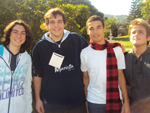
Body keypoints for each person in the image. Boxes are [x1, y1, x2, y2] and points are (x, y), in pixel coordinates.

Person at [32, 7, 89, 113]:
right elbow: (37, 75)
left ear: (65, 24)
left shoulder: (77, 40)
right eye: (52, 22)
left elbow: (93, 54)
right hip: (52, 104)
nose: (56, 25)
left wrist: (113, 47)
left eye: (59, 21)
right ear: (47, 25)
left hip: (77, 102)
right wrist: (38, 99)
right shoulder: (39, 47)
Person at [80, 15, 130, 113]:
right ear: (87, 31)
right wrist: (85, 100)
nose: (95, 32)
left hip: (115, 99)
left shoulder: (117, 50)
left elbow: (120, 76)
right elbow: (86, 79)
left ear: (104, 29)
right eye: (91, 29)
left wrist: (126, 101)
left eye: (98, 28)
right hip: (94, 102)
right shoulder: (84, 53)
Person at [0, 20, 32, 113]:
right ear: (9, 34)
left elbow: (27, 88)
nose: (19, 36)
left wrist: (28, 110)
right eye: (15, 32)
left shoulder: (27, 59)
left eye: (23, 33)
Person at [124, 18, 150, 112]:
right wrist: (125, 103)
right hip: (132, 108)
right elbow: (125, 85)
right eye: (133, 32)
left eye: (141, 32)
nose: (136, 35)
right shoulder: (125, 57)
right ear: (130, 37)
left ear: (148, 37)